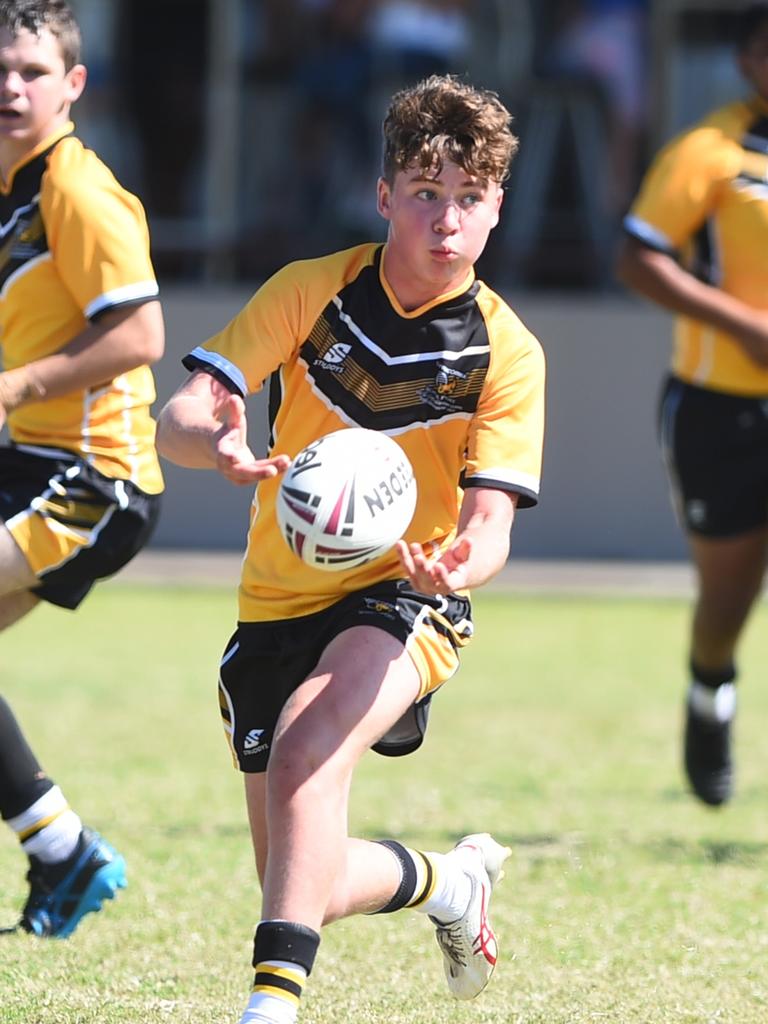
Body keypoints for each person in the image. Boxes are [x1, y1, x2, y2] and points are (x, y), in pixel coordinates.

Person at [156, 74, 544, 1024]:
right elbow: (179, 416)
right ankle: (448, 883)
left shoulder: (508, 353)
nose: (444, 220)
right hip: (276, 601)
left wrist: (459, 565)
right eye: (424, 193)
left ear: (497, 209)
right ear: (383, 198)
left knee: (305, 749)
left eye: (468, 198)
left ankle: (269, 1010)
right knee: (303, 880)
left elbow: (490, 523)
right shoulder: (311, 289)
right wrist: (215, 442)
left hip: (409, 597)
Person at [0, 0, 164, 936]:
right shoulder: (11, 186)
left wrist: (19, 383)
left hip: (90, 475)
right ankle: (61, 851)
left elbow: (141, 333)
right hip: (26, 459)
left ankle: (64, 850)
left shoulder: (76, 188)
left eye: (30, 70)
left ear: (73, 85)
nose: (11, 87)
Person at [616, 3, 768, 807]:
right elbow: (640, 257)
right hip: (725, 407)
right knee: (729, 595)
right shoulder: (713, 152)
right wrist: (744, 327)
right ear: (749, 61)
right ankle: (710, 694)